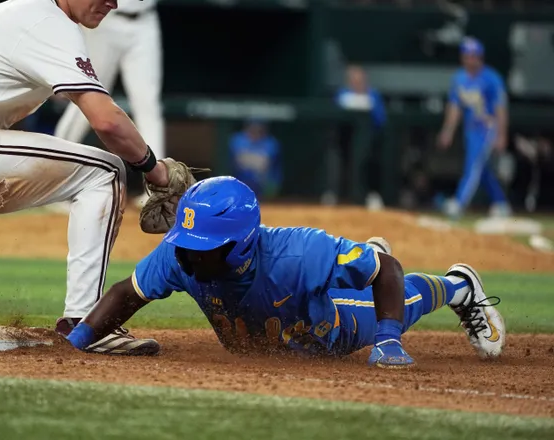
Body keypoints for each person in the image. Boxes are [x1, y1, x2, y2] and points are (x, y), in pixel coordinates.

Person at [0, 0, 194, 356]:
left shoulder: (5, 10)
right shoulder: (49, 20)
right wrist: (155, 170)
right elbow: (107, 121)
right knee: (106, 171)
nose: (113, 3)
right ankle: (87, 321)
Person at [65, 176, 506, 367]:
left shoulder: (297, 252)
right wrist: (80, 339)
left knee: (398, 297)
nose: (189, 258)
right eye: (186, 245)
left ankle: (460, 287)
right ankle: (357, 259)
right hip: (277, 330)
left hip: (329, 328)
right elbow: (129, 291)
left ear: (240, 245)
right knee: (364, 265)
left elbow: (389, 270)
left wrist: (388, 342)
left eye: (204, 250)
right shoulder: (178, 254)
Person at [52, 0, 164, 211]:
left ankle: (158, 191)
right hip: (105, 19)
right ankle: (52, 182)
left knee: (148, 106)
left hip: (146, 21)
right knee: (84, 97)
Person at [437, 37, 511, 220]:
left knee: (473, 165)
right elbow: (455, 108)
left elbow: (500, 109)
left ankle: (459, 203)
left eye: (473, 56)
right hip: (470, 129)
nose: (470, 60)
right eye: (467, 56)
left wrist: (501, 134)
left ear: (480, 57)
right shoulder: (459, 79)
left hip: (487, 127)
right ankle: (501, 203)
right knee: (482, 169)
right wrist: (448, 131)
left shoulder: (492, 78)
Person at [334, 65, 387, 210]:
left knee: (370, 161)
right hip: (345, 141)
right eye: (353, 79)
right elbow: (334, 116)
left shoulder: (373, 95)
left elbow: (381, 119)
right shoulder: (343, 94)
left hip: (370, 141)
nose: (357, 83)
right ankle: (336, 195)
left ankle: (371, 195)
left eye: (360, 79)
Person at [228, 118, 282, 200]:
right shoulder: (238, 139)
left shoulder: (270, 142)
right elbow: (240, 163)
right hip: (241, 180)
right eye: (253, 128)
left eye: (259, 129)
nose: (255, 131)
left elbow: (265, 165)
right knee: (246, 174)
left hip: (262, 182)